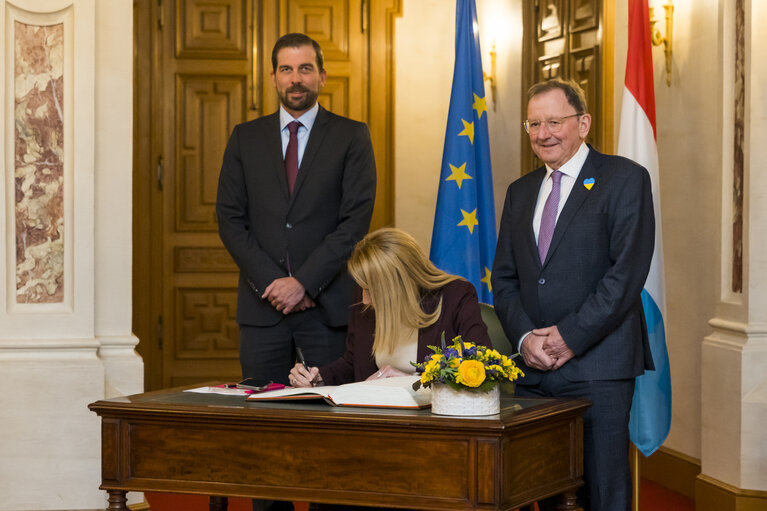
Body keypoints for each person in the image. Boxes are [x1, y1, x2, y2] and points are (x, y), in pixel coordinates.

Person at [491, 78, 655, 511]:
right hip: (533, 369)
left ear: (582, 124)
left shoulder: (624, 179)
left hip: (598, 364)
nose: (542, 133)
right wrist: (527, 338)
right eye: (533, 123)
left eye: (554, 121)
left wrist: (568, 336)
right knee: (539, 486)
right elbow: (504, 279)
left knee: (603, 490)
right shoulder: (520, 191)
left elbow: (626, 275)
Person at [216, 33, 376, 391]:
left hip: (328, 311)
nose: (295, 78)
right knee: (260, 415)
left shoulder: (351, 136)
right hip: (262, 313)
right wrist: (275, 286)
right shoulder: (245, 138)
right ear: (273, 77)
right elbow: (229, 219)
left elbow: (355, 223)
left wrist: (303, 283)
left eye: (305, 68)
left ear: (321, 75)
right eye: (286, 70)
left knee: (329, 415)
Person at [290, 227, 491, 388]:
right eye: (363, 287)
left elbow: (479, 367)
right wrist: (318, 379)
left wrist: (412, 382)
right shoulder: (362, 300)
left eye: (371, 289)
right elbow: (353, 362)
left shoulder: (455, 296)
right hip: (379, 417)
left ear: (398, 285)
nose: (365, 300)